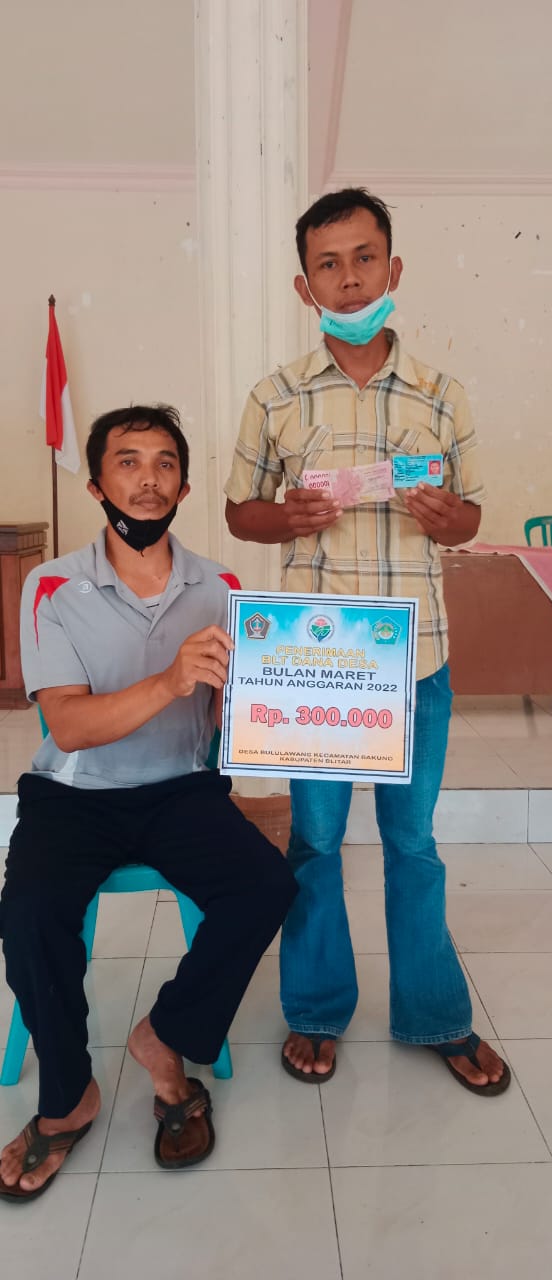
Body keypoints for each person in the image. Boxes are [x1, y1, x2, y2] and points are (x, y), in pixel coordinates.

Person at [225, 188, 510, 1096]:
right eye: (327, 263)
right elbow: (239, 513)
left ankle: (435, 1014)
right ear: (304, 287)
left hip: (416, 659)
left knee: (412, 844)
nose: (348, 278)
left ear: (393, 269)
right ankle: (316, 1008)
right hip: (315, 662)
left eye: (363, 257)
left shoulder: (442, 394)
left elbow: (470, 519)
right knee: (314, 844)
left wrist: (446, 517)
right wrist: (286, 515)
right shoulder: (275, 397)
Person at [0, 404, 297, 1202]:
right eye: (127, 462)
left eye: (165, 463)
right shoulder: (51, 585)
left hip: (180, 790)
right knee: (29, 915)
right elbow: (68, 724)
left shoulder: (223, 588)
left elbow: (231, 720)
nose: (148, 478)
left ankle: (165, 1037)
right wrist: (170, 679)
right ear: (97, 484)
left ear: (185, 487)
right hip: (75, 795)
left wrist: (277, 709)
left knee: (268, 884)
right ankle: (68, 1097)